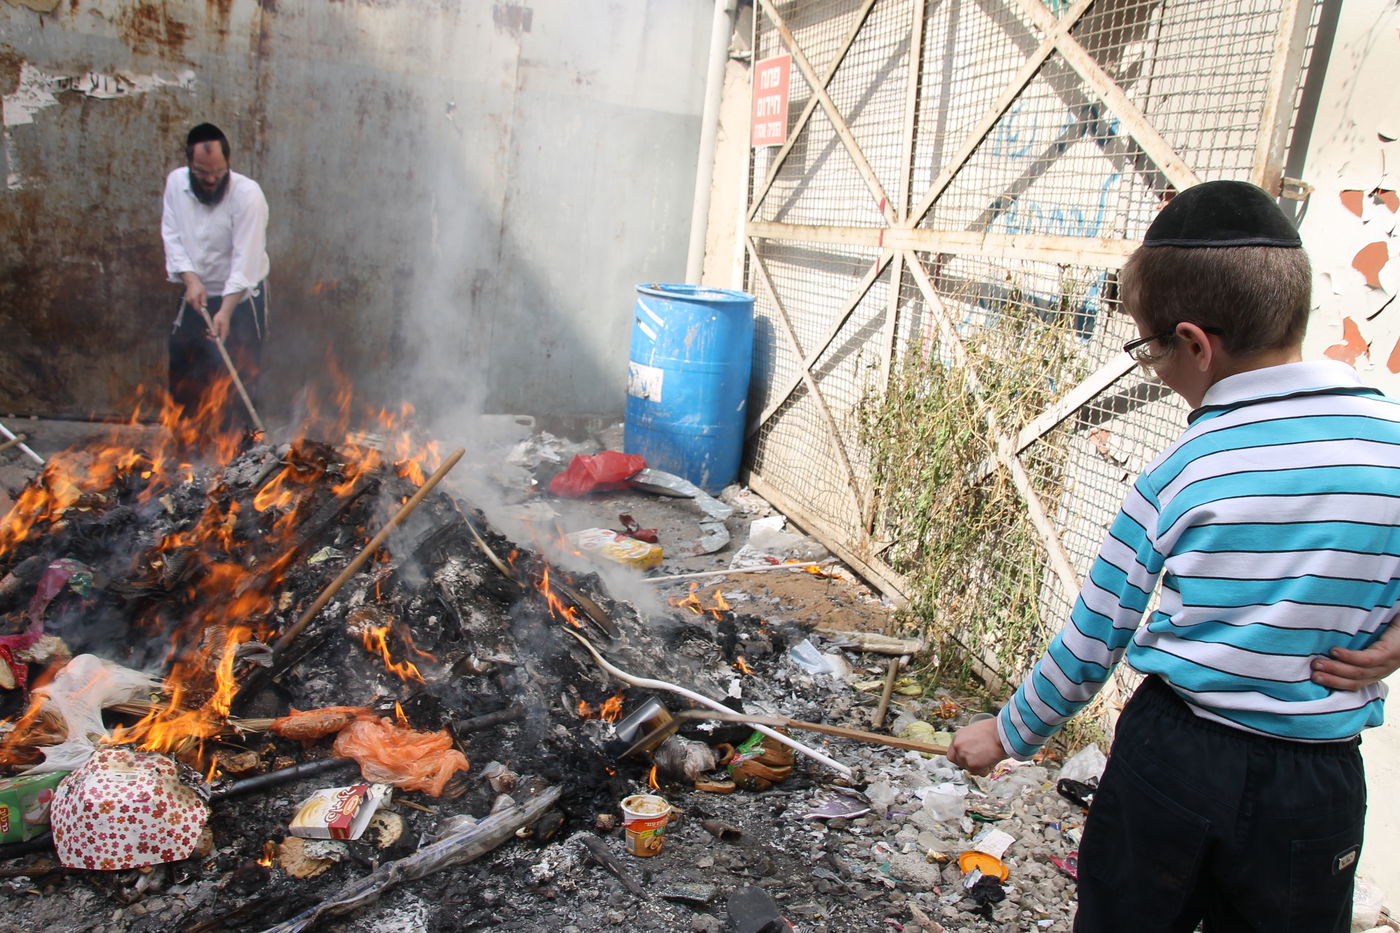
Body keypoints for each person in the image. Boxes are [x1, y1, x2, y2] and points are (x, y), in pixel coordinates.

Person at [947, 180, 1400, 932]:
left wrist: (1009, 730)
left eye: (1149, 348)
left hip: (1178, 760)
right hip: (1316, 782)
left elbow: (1097, 634)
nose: (1153, 367)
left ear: (1194, 342)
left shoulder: (1184, 469)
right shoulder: (1390, 444)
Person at [161, 122, 269, 442]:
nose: (210, 180)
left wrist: (225, 311)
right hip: (196, 291)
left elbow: (245, 258)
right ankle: (187, 447)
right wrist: (191, 280)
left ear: (228, 163)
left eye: (218, 172)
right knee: (185, 369)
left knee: (238, 375)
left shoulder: (248, 195)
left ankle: (239, 452)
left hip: (241, 295)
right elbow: (172, 236)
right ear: (188, 163)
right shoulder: (174, 184)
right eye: (201, 172)